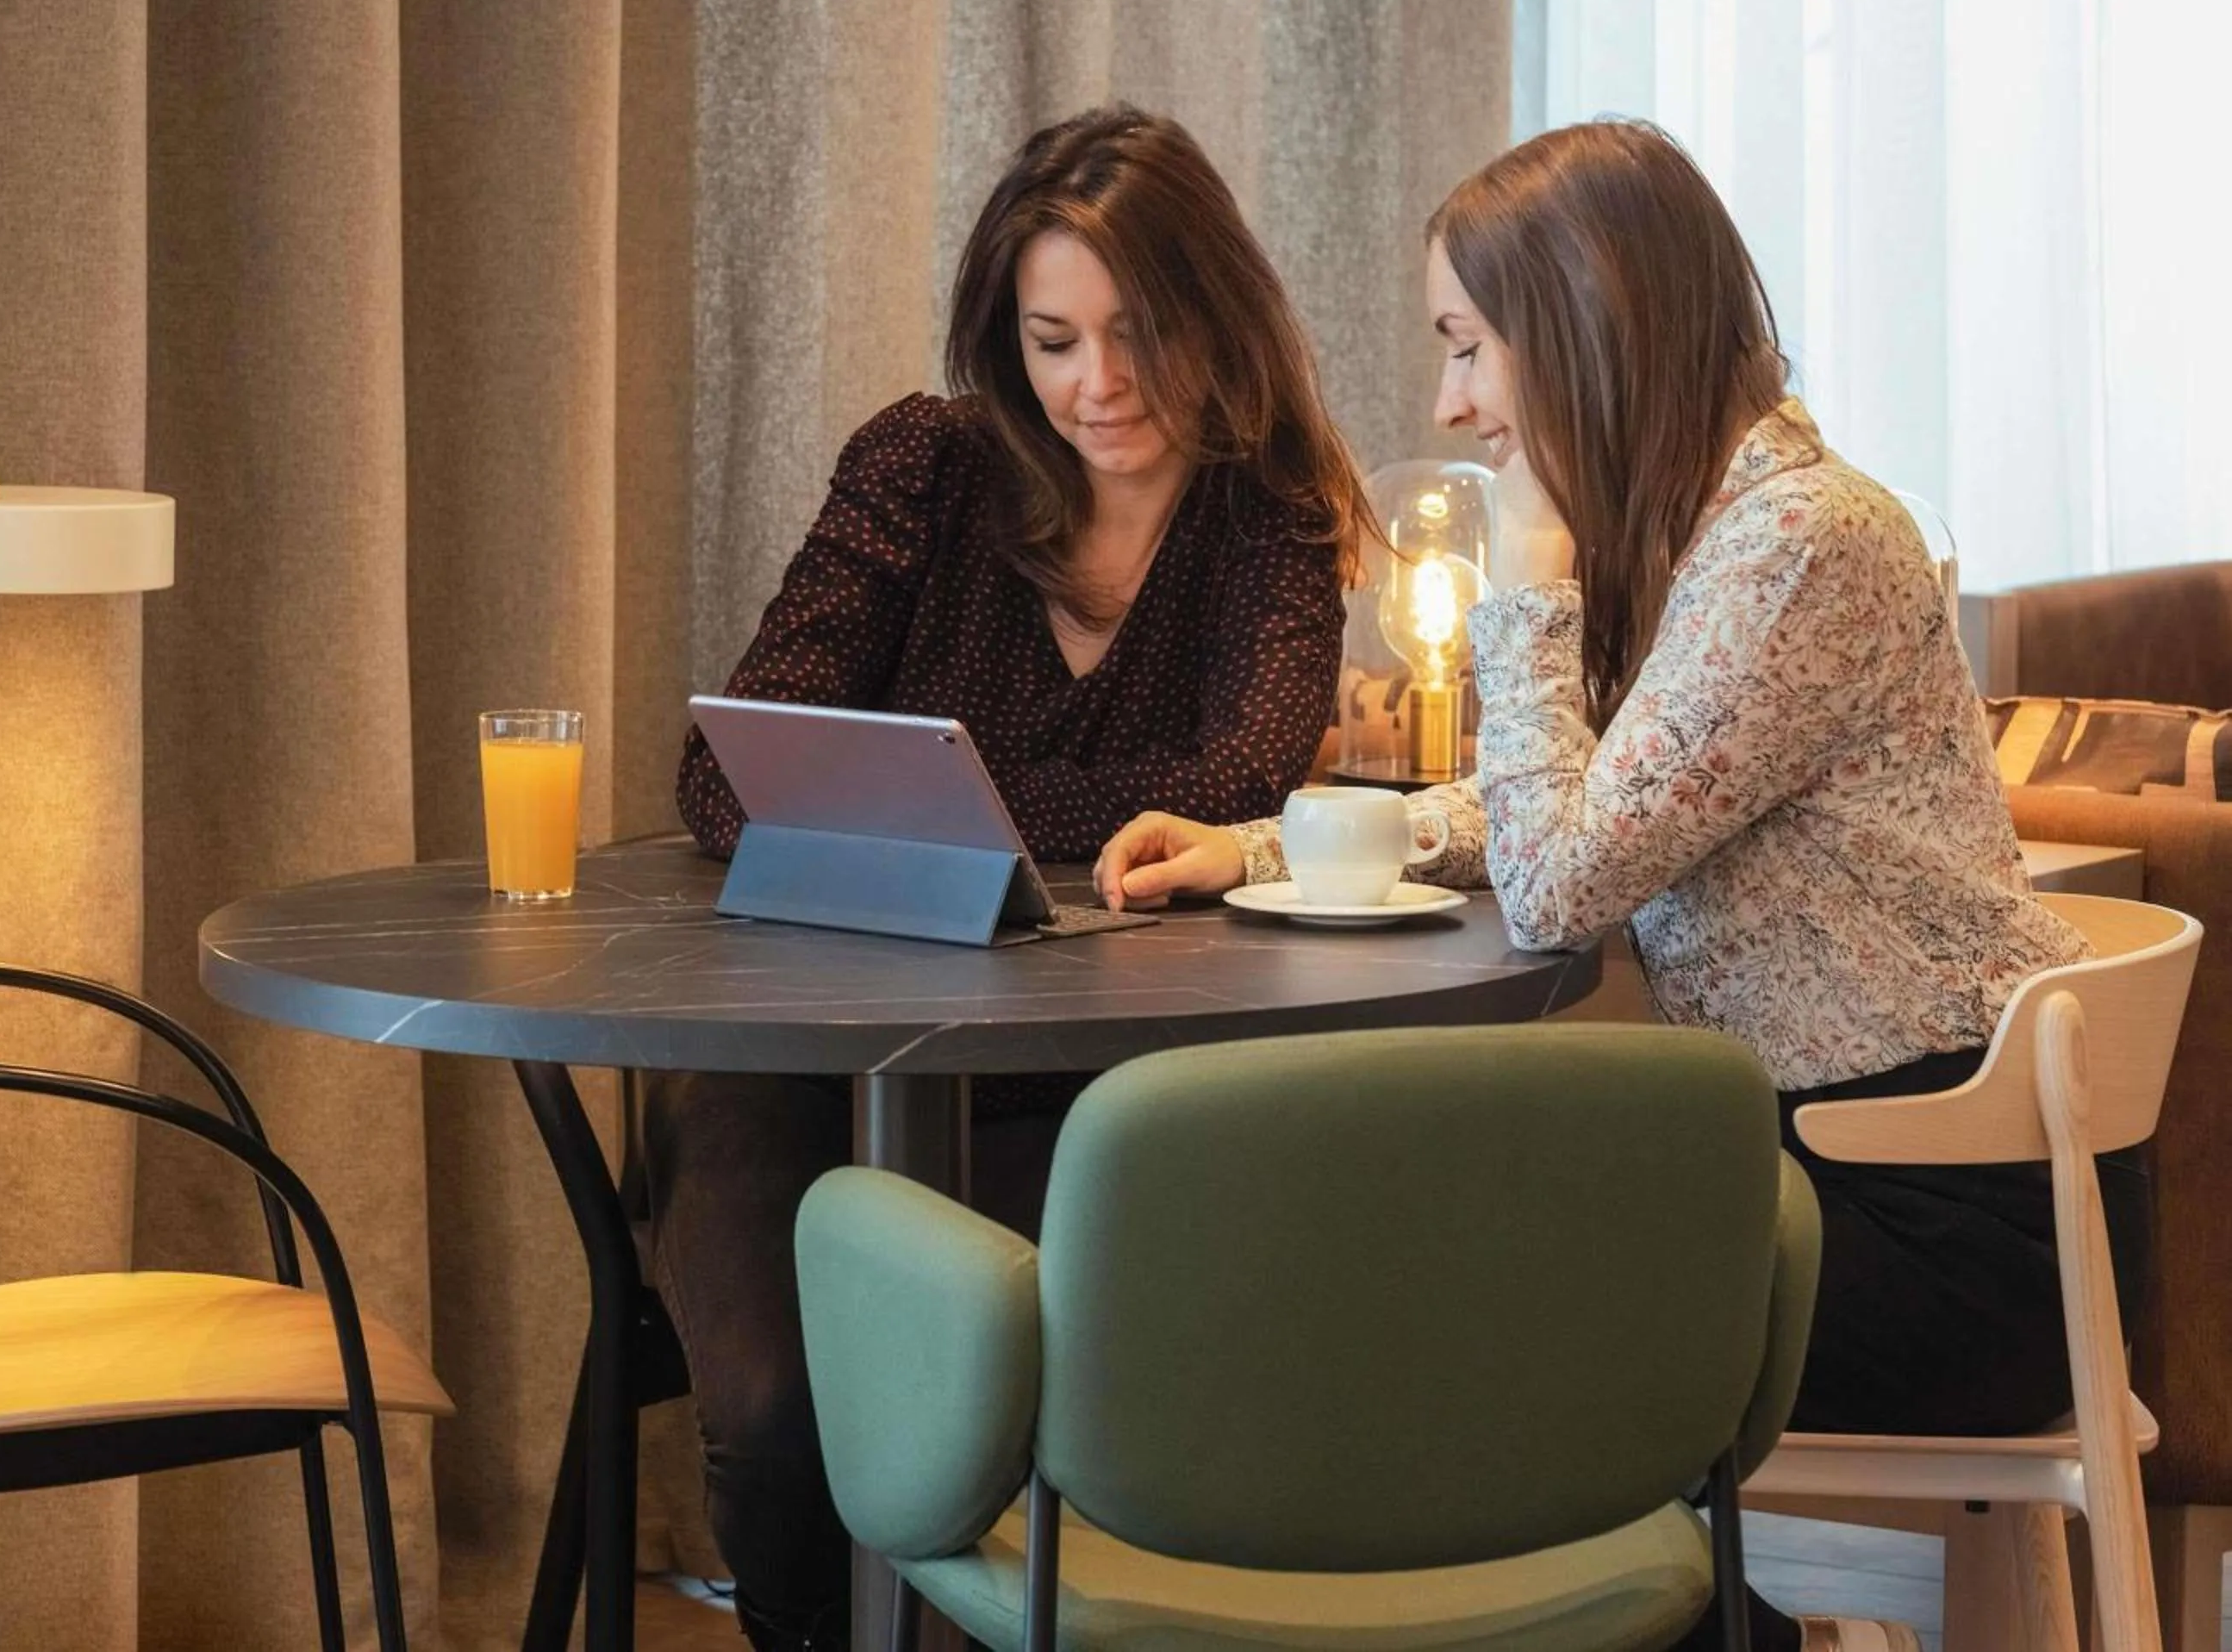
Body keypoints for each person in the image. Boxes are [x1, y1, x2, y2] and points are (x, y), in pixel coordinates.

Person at [1094, 120, 2146, 1652]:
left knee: (1430, 1303)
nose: (1450, 403)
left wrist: (1530, 587)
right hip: (1822, 1172)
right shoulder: (1719, 529)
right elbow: (1587, 805)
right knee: (1412, 1259)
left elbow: (1561, 881)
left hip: (1944, 1221)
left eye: (1468, 345)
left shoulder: (1802, 543)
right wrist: (1261, 847)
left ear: (1586, 321)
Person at [658, 103, 1370, 1652]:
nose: (1095, 384)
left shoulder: (1270, 515)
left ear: (1213, 314)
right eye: (1053, 342)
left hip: (1097, 1081)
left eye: (1137, 334)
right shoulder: (922, 465)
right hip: (809, 1059)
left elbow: (1244, 780)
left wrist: (915, 796)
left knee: (1075, 1410)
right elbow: (723, 773)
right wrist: (1074, 815)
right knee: (780, 1417)